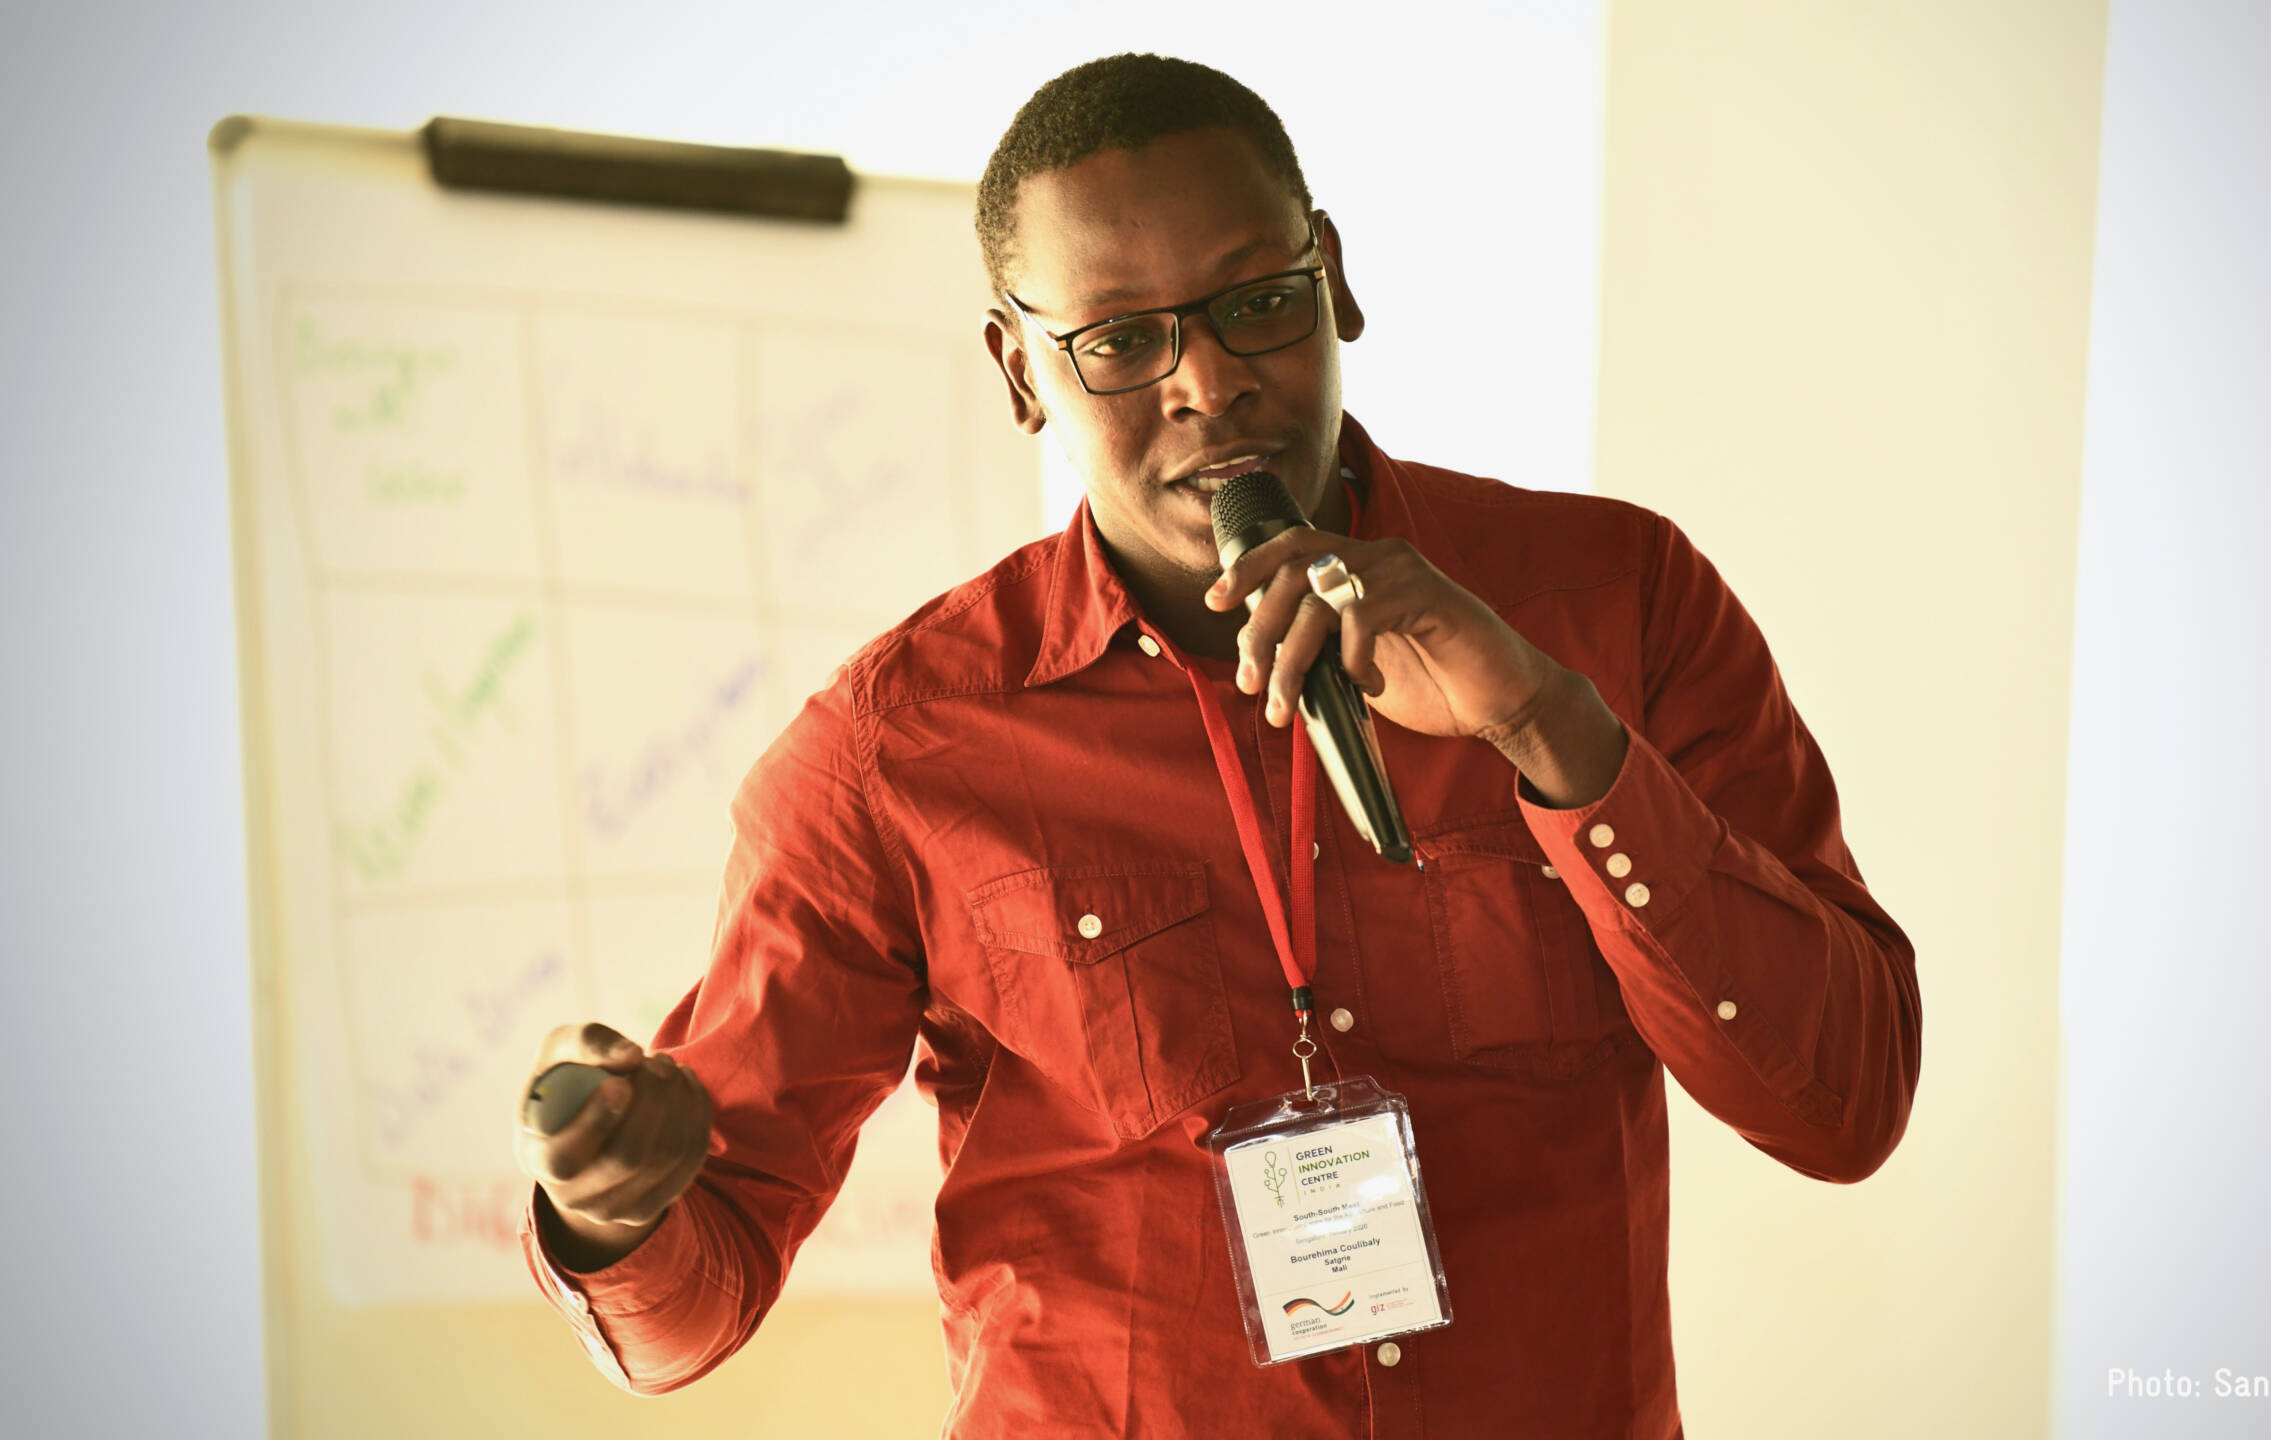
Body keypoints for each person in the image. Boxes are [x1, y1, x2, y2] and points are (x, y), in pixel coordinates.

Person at [515, 52, 1921, 1438]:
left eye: (1256, 305)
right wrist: (608, 1212)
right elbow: (689, 1312)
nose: (1208, 382)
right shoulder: (897, 748)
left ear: (1334, 280)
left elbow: (1845, 1108)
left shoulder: (1616, 600)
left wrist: (1546, 724)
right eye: (1121, 342)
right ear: (1019, 370)